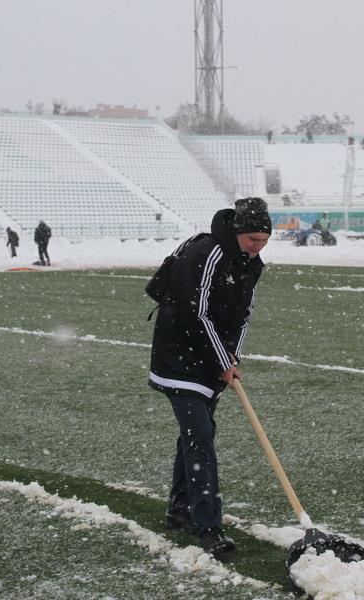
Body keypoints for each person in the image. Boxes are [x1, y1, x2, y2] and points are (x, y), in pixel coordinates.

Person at [148, 197, 270, 556]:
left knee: (197, 434)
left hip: (210, 359)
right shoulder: (207, 253)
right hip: (178, 355)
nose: (258, 247)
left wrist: (231, 355)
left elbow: (244, 315)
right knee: (200, 435)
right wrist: (221, 359)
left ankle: (179, 509)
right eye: (253, 239)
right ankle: (209, 526)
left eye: (264, 241)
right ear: (238, 231)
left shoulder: (252, 264)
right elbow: (195, 313)